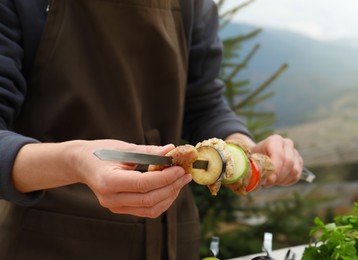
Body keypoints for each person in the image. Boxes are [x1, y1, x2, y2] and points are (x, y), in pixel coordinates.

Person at [0, 0, 303, 259]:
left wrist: (240, 148)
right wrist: (74, 160)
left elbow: (202, 102)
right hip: (48, 243)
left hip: (173, 243)